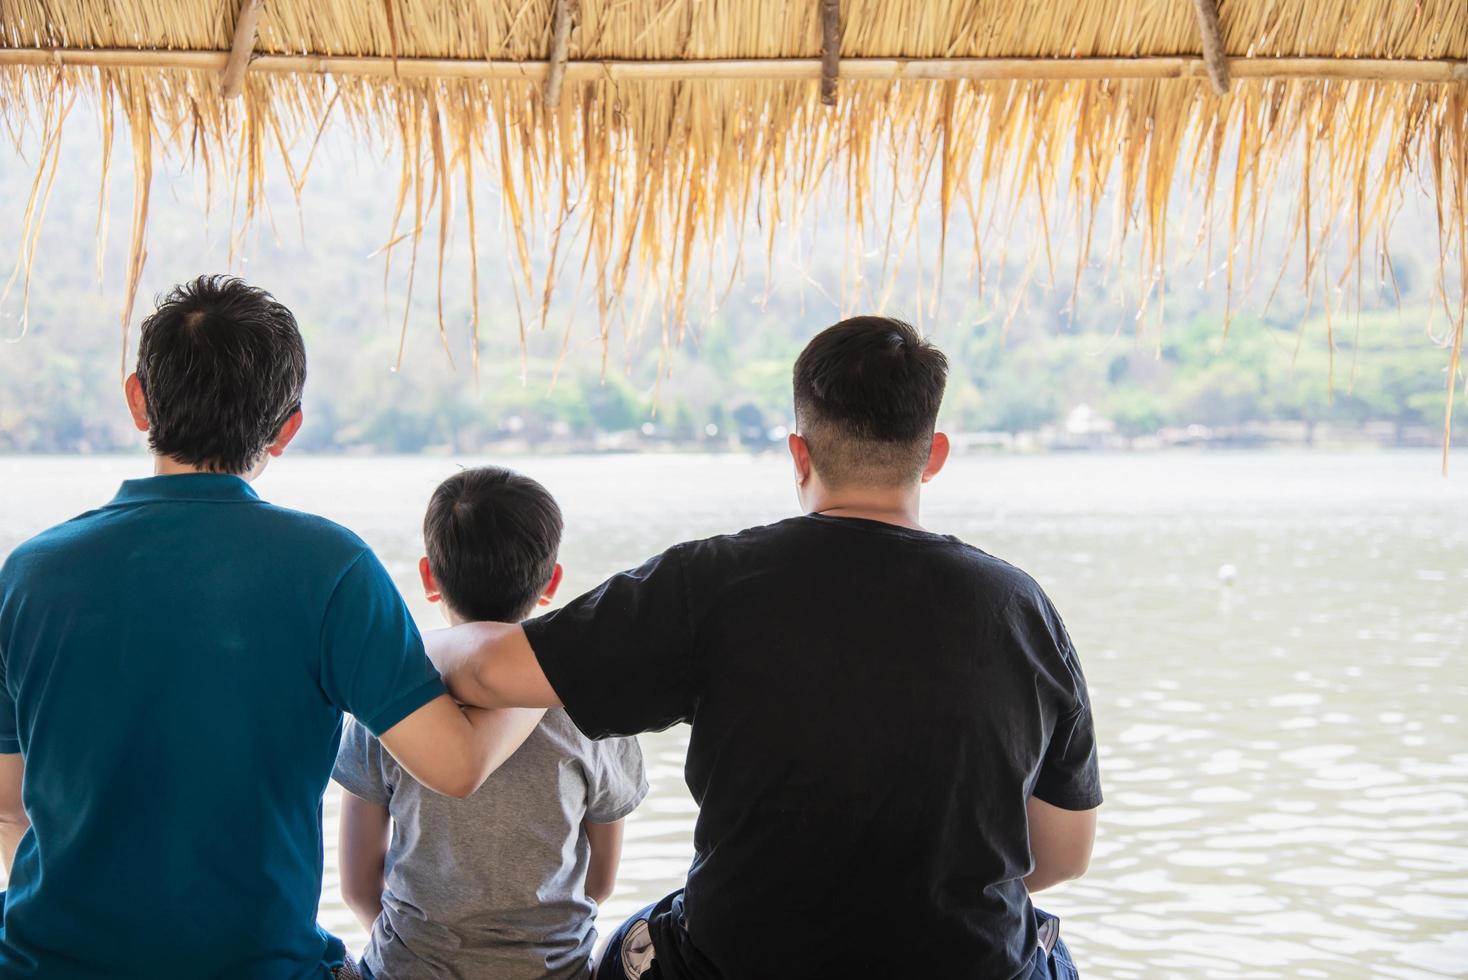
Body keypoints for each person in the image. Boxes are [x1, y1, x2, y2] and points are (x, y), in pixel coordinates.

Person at [426, 316, 1102, 980]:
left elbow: (486, 674)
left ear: (799, 455)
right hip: (972, 963)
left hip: (742, 961)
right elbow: (1064, 856)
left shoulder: (711, 581)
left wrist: (427, 641)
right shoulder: (1023, 609)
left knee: (626, 950)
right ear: (934, 455)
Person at [0, 276, 544, 978]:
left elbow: (10, 808)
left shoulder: (29, 573)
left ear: (138, 400)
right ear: (287, 428)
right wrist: (548, 669)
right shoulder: (331, 568)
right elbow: (457, 765)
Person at [334, 467, 647, 980]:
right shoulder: (592, 706)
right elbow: (600, 882)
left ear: (429, 578)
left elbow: (356, 887)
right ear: (551, 583)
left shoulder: (387, 700)